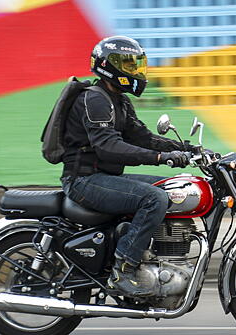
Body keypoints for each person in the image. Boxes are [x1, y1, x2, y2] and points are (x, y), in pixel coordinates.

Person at [60, 36, 191, 297]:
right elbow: (108, 147)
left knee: (170, 187)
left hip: (102, 176)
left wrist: (187, 149)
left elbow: (143, 137)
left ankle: (149, 254)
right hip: (84, 181)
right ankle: (125, 270)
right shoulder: (95, 100)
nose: (135, 71)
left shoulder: (118, 100)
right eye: (129, 65)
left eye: (136, 65)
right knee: (154, 199)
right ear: (110, 66)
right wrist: (158, 158)